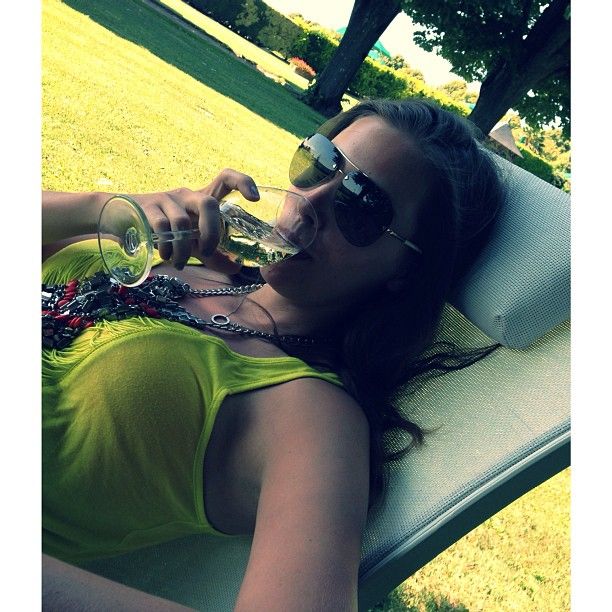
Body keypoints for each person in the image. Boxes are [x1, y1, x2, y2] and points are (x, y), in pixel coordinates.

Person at [42, 98, 505, 610]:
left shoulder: (309, 416)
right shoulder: (193, 264)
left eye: (360, 204)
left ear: (406, 271)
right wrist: (107, 210)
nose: (310, 203)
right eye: (321, 162)